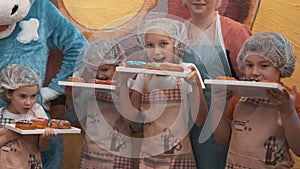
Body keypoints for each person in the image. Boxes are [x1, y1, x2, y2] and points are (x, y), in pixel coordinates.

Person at [119, 18, 208, 169]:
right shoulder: (143, 75)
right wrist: (123, 82)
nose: (156, 51)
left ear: (177, 45)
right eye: (149, 45)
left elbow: (200, 121)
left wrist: (195, 86)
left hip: (179, 159)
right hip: (149, 159)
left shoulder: (186, 71)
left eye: (163, 44)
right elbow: (129, 119)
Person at [213, 32, 300, 168]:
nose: (254, 72)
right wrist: (217, 106)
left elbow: (298, 149)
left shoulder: (292, 100)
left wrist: (288, 111)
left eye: (264, 66)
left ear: (281, 66)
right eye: (249, 65)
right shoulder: (239, 98)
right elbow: (223, 139)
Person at [182, 0, 252, 168]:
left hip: (220, 126)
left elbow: (254, 82)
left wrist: (233, 87)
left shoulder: (235, 33)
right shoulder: (175, 33)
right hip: (181, 124)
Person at [64, 39, 135, 168]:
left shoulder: (131, 87)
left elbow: (137, 127)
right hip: (91, 156)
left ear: (118, 65)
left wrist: (125, 95)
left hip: (119, 157)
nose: (99, 75)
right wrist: (71, 96)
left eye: (105, 69)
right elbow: (73, 119)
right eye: (93, 70)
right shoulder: (88, 89)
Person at [0, 64, 57, 169]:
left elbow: (42, 148)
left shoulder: (37, 113)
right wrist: (7, 136)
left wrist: (46, 138)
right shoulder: (1, 115)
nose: (28, 102)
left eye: (33, 96)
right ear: (9, 93)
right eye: (23, 96)